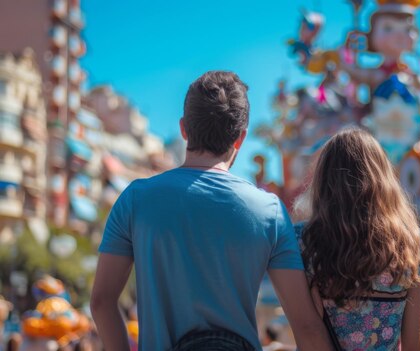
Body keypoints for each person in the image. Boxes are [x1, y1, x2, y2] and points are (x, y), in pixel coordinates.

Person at [91, 71, 334, 351]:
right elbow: (305, 325)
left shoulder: (136, 199)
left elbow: (101, 301)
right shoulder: (269, 211)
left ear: (184, 129)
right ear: (240, 139)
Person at [295, 128, 420, 350]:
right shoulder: (413, 243)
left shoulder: (302, 241)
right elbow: (414, 345)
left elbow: (308, 333)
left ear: (324, 179)